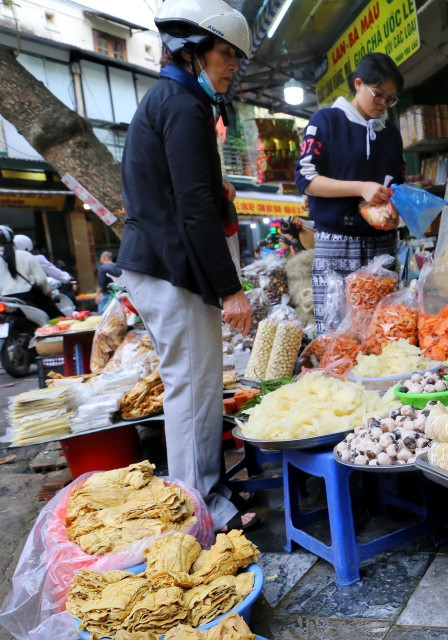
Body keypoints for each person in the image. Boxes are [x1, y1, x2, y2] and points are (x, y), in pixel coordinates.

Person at [115, 0, 256, 532]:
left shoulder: (173, 100)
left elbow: (185, 191)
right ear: (193, 51)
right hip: (170, 267)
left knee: (195, 387)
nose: (233, 66)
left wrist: (218, 191)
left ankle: (206, 497)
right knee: (194, 392)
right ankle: (203, 513)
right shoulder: (181, 105)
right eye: (226, 54)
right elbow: (192, 208)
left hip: (162, 264)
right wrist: (230, 289)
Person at [294, 53, 405, 334]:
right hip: (336, 244)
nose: (383, 104)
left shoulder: (390, 134)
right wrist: (361, 187)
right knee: (337, 334)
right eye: (378, 95)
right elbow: (306, 179)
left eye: (390, 99)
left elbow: (398, 182)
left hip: (382, 247)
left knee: (382, 333)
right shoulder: (326, 121)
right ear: (358, 84)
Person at [0, 226, 62, 319]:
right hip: (30, 296)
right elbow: (41, 279)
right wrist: (45, 292)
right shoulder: (26, 255)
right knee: (56, 319)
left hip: (5, 300)